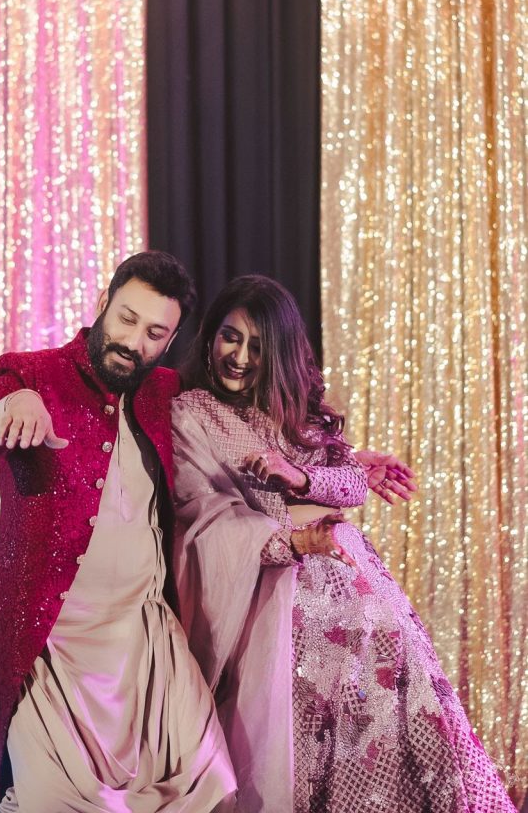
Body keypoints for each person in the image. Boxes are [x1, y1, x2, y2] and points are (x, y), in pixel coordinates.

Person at [171, 274, 515, 813]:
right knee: (321, 736)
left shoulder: (295, 414)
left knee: (397, 712)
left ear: (280, 355)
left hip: (358, 586)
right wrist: (295, 526)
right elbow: (208, 514)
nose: (238, 356)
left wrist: (303, 480)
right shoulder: (193, 412)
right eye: (229, 337)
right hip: (285, 599)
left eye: (257, 347)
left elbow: (348, 482)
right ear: (210, 336)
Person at [0, 251, 236, 813]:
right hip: (51, 647)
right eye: (126, 319)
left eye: (154, 333)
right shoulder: (28, 372)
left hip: (145, 638)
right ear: (103, 304)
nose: (133, 342)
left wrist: (332, 460)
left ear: (167, 342)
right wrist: (5, 409)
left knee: (211, 788)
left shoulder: (163, 389)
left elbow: (244, 431)